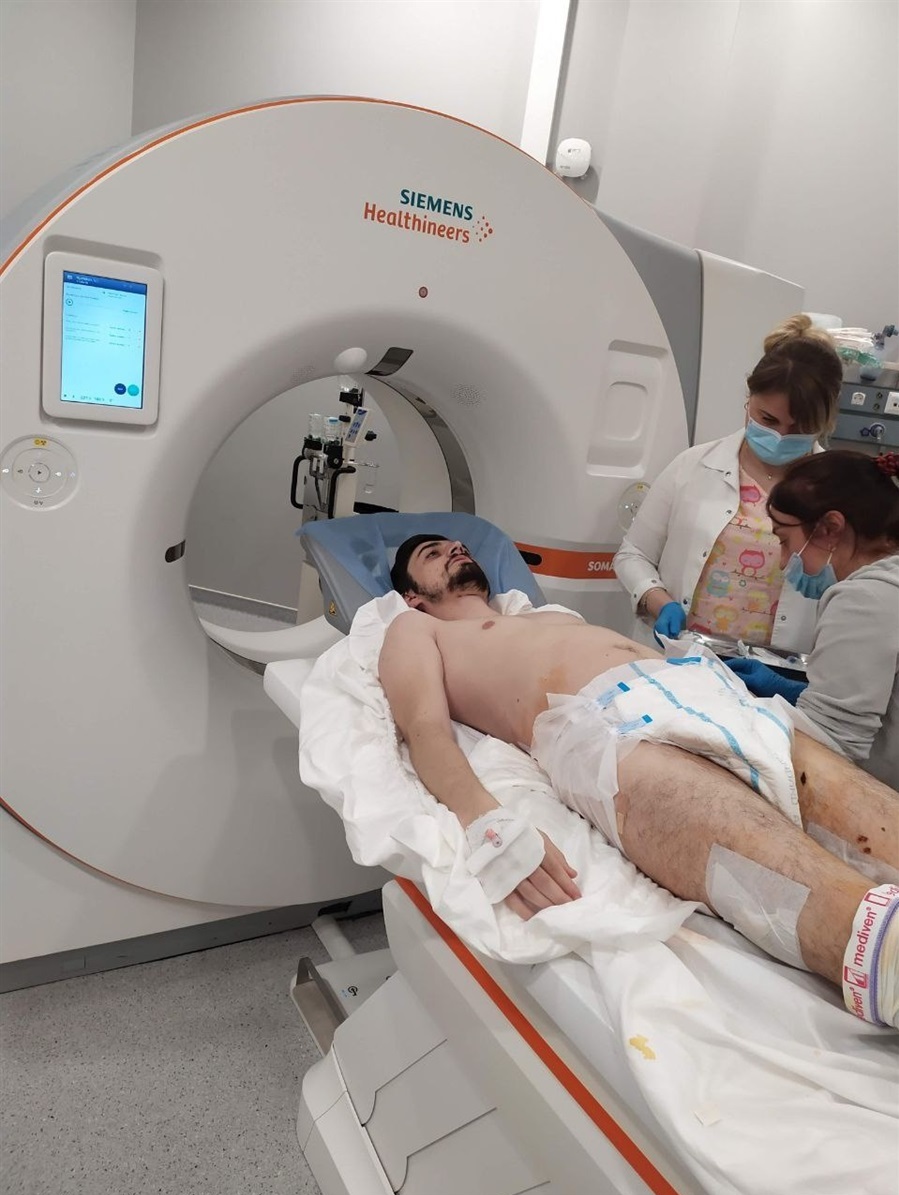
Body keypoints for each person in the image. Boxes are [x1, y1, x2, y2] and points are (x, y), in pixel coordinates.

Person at [378, 533, 899, 1029]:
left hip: (709, 696)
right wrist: (486, 822)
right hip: (599, 727)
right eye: (433, 551)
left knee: (878, 823)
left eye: (457, 544)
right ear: (411, 595)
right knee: (841, 911)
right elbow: (423, 728)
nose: (454, 548)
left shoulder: (547, 614)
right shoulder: (416, 629)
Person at [613, 315, 843, 652]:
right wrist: (658, 601)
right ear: (749, 400)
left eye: (799, 427)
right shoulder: (692, 466)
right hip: (680, 658)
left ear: (825, 421)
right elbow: (633, 554)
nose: (780, 437)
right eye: (768, 420)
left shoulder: (841, 492)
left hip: (777, 678)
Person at [726, 450, 899, 789]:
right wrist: (799, 694)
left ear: (830, 529)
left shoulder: (865, 598)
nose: (783, 562)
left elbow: (834, 749)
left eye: (785, 542)